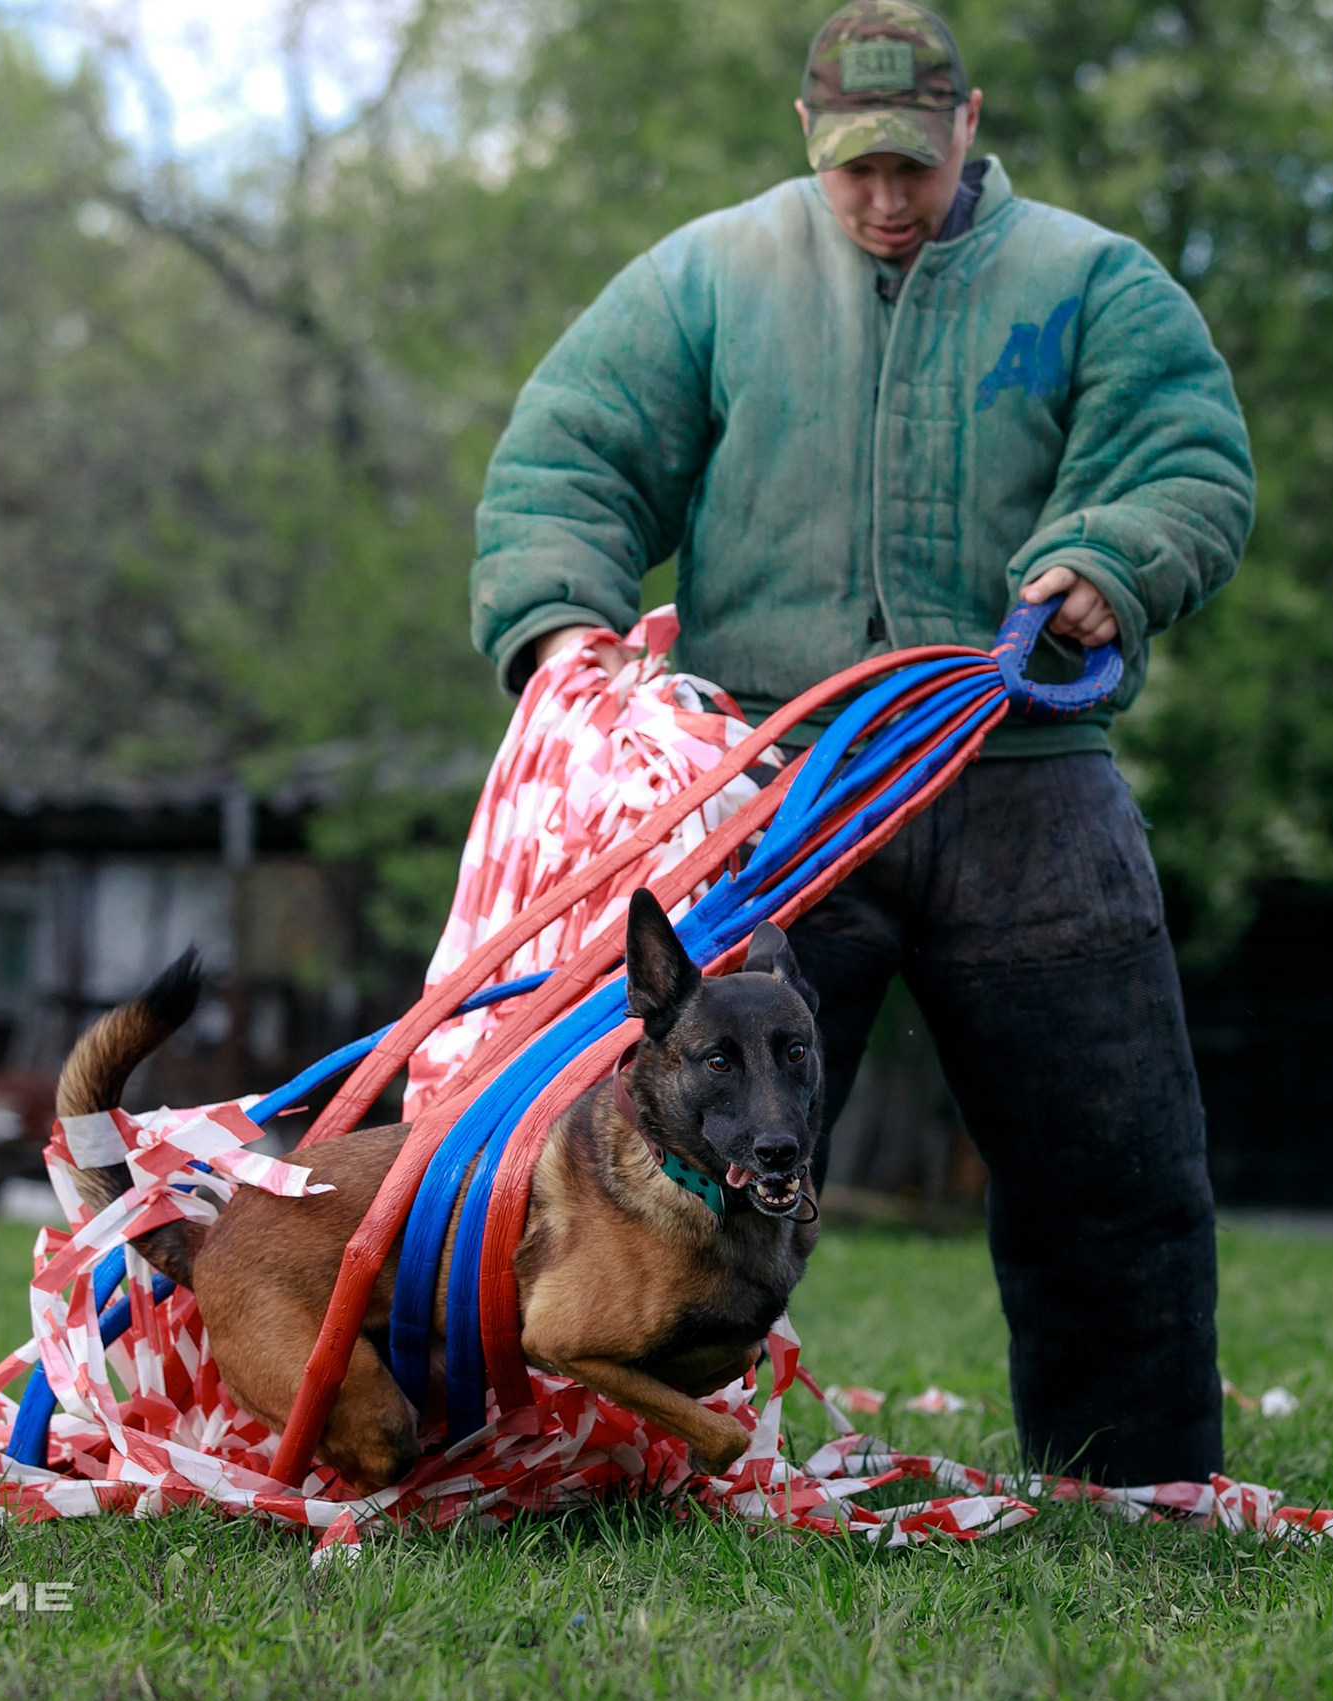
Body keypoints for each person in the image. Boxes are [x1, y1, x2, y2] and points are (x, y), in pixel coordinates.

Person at [467, 0, 1254, 1485]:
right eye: (854, 171)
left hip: (1023, 784)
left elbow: (1187, 461)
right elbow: (570, 451)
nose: (887, 201)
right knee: (670, 1158)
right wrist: (561, 624)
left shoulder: (1094, 282)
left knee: (1112, 1159)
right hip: (777, 792)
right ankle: (635, 1455)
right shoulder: (710, 276)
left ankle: (1137, 1480)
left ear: (970, 125)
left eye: (913, 165)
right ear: (808, 144)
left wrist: (1112, 555)